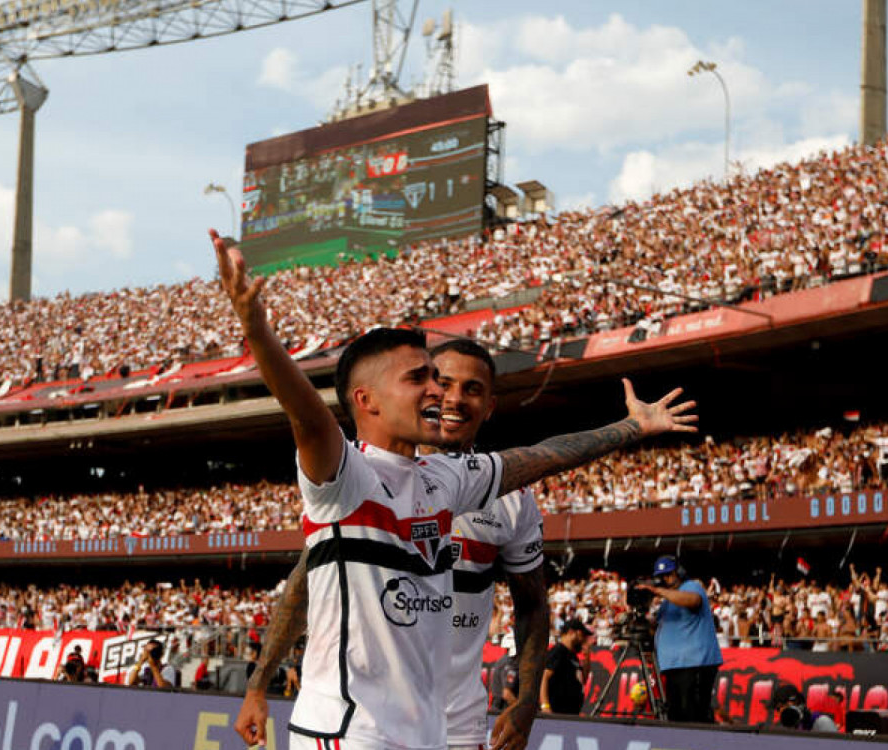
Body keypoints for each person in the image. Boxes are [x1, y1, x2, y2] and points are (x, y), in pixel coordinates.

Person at [214, 231, 698, 750]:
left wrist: (634, 428)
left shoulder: (446, 481)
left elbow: (544, 456)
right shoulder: (346, 478)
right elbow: (306, 415)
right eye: (420, 378)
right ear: (367, 400)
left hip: (431, 734)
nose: (436, 392)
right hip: (348, 732)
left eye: (441, 380)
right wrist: (256, 327)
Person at [636, 556, 722, 724]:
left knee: (694, 716)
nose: (664, 579)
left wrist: (657, 591)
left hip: (693, 663)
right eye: (661, 576)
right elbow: (657, 627)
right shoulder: (667, 602)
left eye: (668, 574)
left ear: (679, 572)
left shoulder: (691, 586)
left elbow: (693, 600)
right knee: (676, 716)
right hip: (673, 665)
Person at [540, 619, 592, 715]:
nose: (583, 639)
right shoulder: (558, 651)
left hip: (570, 712)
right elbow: (544, 677)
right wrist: (545, 705)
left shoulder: (573, 655)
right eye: (582, 635)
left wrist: (587, 658)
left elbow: (583, 679)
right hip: (557, 710)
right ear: (571, 632)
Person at [769, 684, 838, 732]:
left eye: (782, 706)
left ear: (795, 702)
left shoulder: (822, 722)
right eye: (778, 709)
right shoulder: (787, 728)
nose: (780, 711)